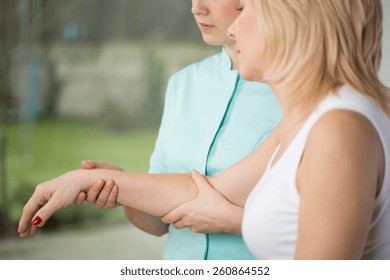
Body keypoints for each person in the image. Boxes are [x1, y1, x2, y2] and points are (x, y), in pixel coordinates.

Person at [18, 0, 390, 259]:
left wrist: (234, 221)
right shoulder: (309, 119)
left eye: (249, 8)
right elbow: (198, 194)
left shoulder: (338, 127)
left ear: (293, 23)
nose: (236, 24)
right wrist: (98, 183)